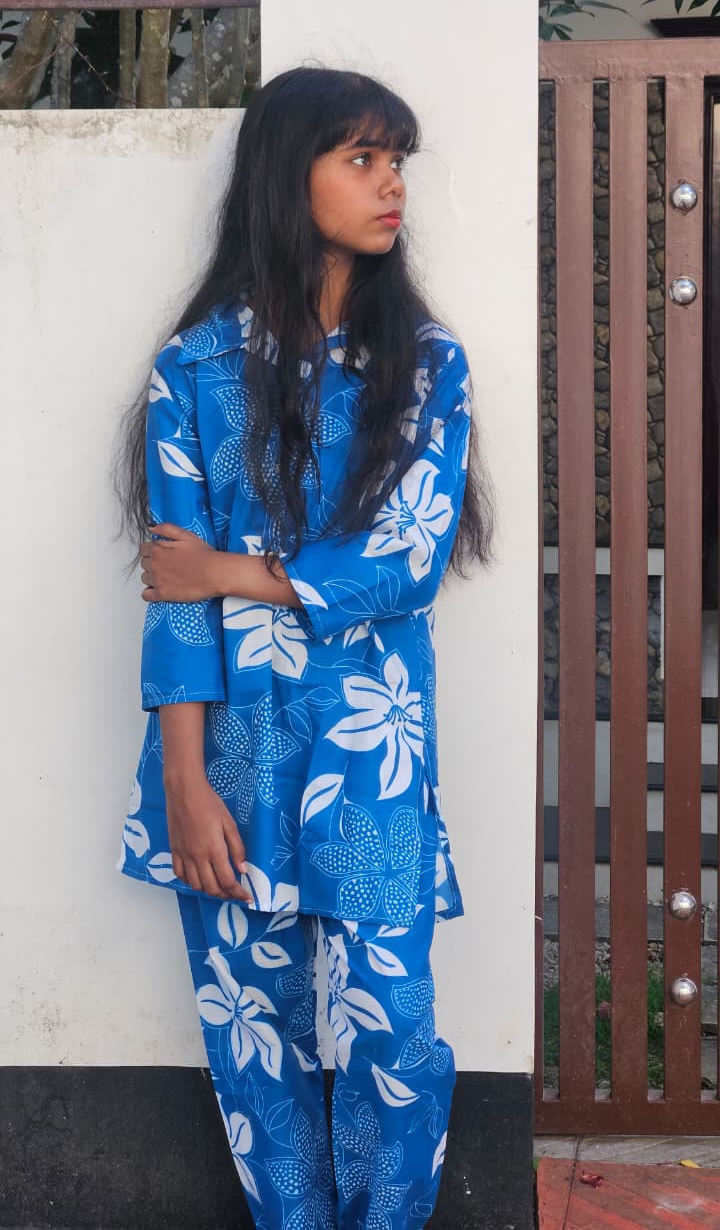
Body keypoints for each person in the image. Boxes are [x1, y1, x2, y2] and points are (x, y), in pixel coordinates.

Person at [116, 65, 493, 1230]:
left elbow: (407, 558)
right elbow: (172, 606)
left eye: (398, 161)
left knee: (393, 1025)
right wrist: (184, 785)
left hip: (373, 760)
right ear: (291, 176)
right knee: (254, 1043)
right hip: (229, 757)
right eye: (362, 158)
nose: (392, 186)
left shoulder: (426, 364)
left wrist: (231, 570)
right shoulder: (193, 371)